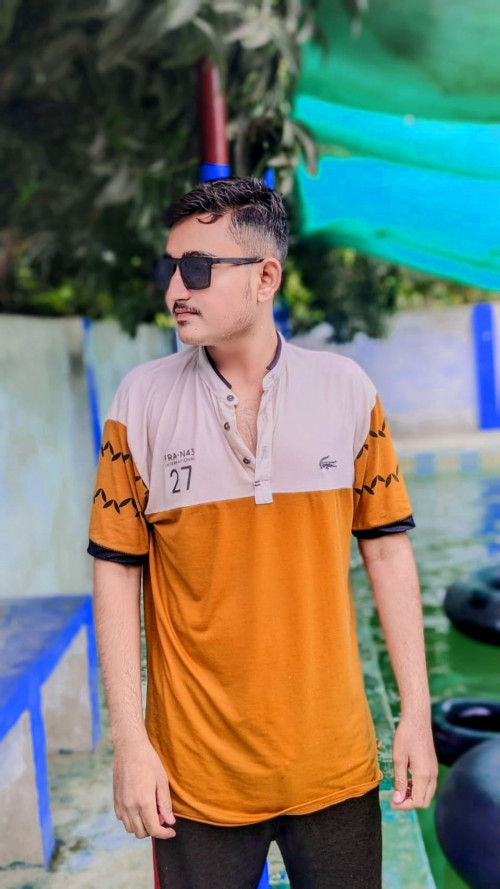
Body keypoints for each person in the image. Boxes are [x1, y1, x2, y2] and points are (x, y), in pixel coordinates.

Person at [88, 176, 438, 889]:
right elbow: (117, 570)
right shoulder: (140, 402)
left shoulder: (347, 390)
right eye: (168, 268)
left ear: (265, 278)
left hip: (334, 766)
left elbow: (387, 551)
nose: (175, 289)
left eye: (197, 268)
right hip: (193, 778)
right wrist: (130, 741)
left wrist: (417, 715)